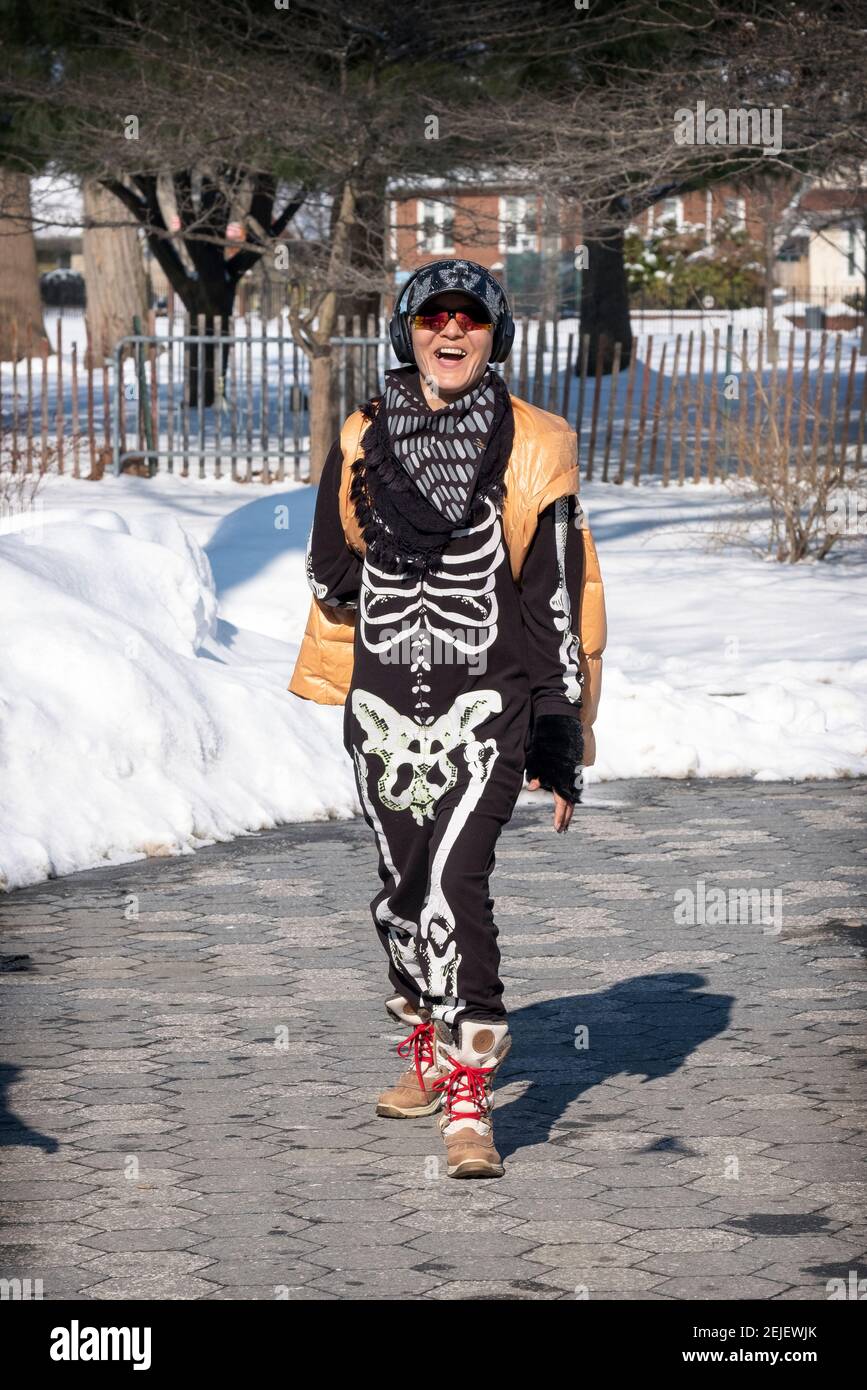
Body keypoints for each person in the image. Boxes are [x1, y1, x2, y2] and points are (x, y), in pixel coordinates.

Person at [289, 258, 606, 1178]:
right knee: (401, 889)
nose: (452, 331)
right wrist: (387, 591)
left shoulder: (536, 442)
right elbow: (325, 568)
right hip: (383, 713)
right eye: (434, 319)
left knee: (454, 884)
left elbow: (552, 598)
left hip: (490, 711)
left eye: (470, 318)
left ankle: (469, 1096)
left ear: (493, 334)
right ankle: (424, 1044)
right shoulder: (361, 438)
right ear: (409, 333)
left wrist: (557, 735)